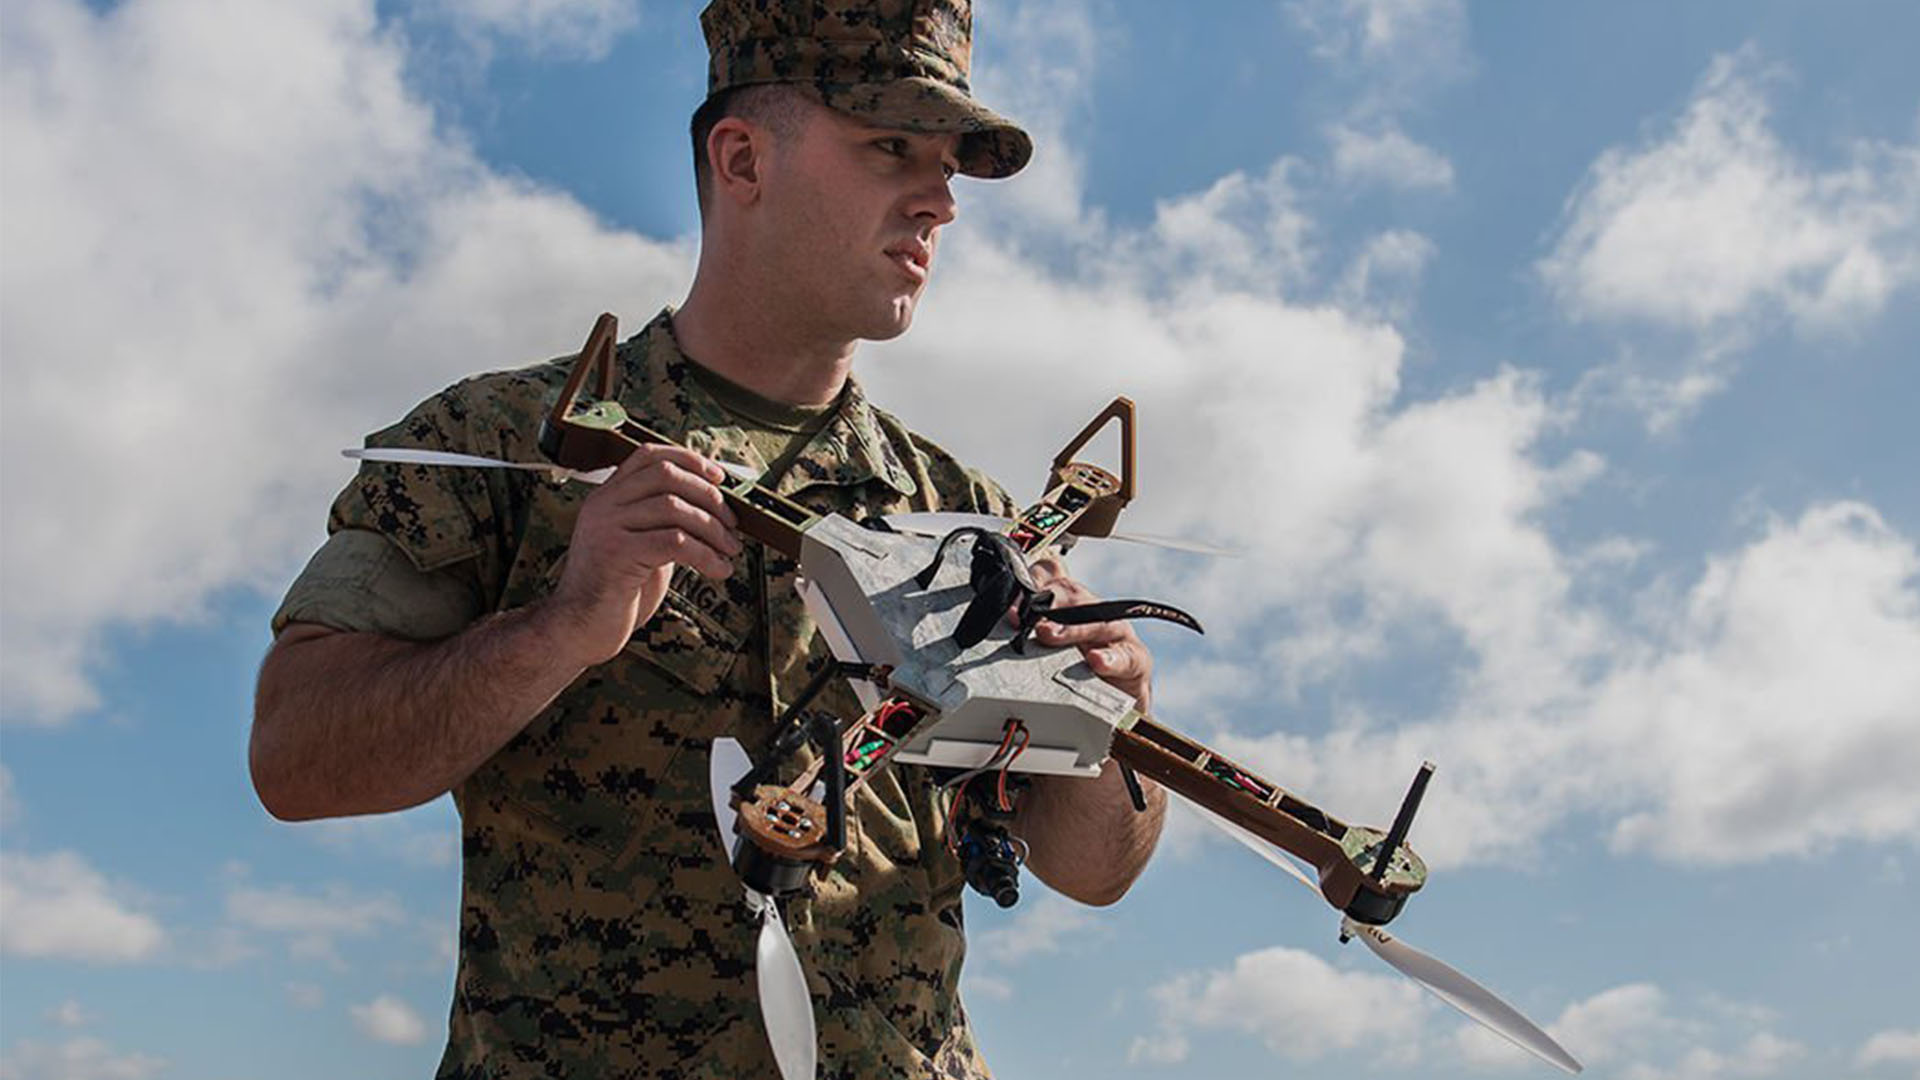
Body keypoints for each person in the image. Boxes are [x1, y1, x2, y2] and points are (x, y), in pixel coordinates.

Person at [249, 1, 1165, 1076]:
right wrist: (559, 629)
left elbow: (1094, 869)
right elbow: (295, 757)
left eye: (950, 164)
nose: (940, 202)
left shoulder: (966, 512)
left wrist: (1111, 715)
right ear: (742, 160)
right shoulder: (506, 444)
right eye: (890, 148)